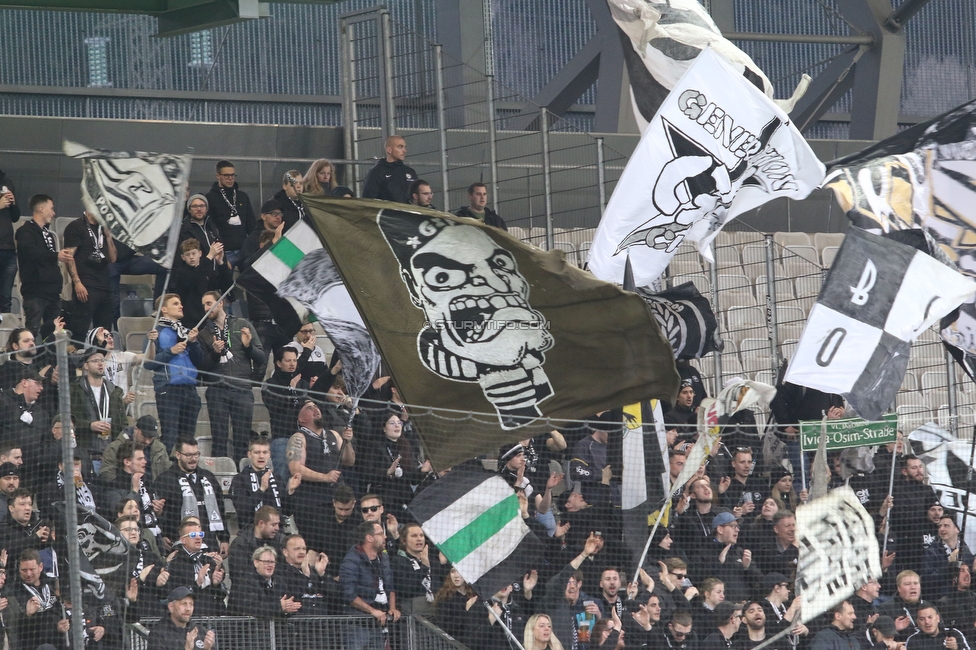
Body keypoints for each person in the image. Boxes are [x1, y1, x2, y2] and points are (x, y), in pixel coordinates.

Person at [196, 290, 266, 459]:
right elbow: (201, 369)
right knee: (219, 440)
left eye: (208, 303)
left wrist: (248, 347)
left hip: (242, 389)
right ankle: (220, 478)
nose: (206, 308)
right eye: (204, 305)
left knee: (242, 440)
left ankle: (242, 478)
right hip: (217, 390)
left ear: (220, 303)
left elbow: (261, 358)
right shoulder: (203, 333)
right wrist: (214, 353)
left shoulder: (243, 324)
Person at [287, 400, 356, 550]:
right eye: (309, 408)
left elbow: (349, 461)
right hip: (312, 504)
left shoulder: (333, 434)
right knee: (317, 549)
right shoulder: (299, 437)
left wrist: (348, 442)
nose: (315, 409)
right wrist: (324, 477)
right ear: (301, 418)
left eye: (316, 406)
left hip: (336, 501)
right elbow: (295, 468)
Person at [143, 294, 203, 451]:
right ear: (164, 309)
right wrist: (171, 351)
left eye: (180, 303)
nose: (181, 306)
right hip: (168, 389)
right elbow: (148, 363)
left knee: (188, 440)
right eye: (176, 303)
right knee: (170, 438)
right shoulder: (155, 333)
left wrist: (194, 343)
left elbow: (199, 361)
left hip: (190, 390)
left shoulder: (187, 332)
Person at [153, 437, 229, 555]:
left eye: (196, 454)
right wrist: (161, 535)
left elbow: (220, 508)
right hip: (178, 545)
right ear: (178, 455)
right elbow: (157, 513)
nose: (193, 459)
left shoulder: (208, 477)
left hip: (209, 543)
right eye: (188, 455)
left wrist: (224, 538)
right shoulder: (164, 480)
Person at [339, 521, 400, 650]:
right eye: (380, 534)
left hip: (378, 623)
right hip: (358, 624)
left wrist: (393, 608)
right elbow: (349, 594)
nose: (385, 537)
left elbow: (390, 586)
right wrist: (372, 611)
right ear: (369, 538)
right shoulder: (351, 560)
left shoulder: (384, 557)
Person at [16, 194, 73, 332]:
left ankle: (51, 354)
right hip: (35, 291)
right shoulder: (26, 232)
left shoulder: (48, 234)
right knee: (32, 331)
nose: (53, 213)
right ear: (41, 209)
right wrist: (56, 255)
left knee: (54, 333)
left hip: (52, 291)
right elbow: (31, 253)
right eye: (51, 208)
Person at [541, 533, 605, 648]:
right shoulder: (553, 604)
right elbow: (563, 576)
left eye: (574, 583)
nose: (571, 586)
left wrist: (599, 617)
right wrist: (584, 553)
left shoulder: (589, 603)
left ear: (579, 584)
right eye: (567, 583)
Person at [62, 209, 117, 335]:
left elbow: (113, 259)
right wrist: (77, 282)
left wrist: (108, 237)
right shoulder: (76, 227)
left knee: (105, 332)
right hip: (86, 285)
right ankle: (77, 352)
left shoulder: (102, 229)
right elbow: (69, 257)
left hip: (105, 285)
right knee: (81, 327)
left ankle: (102, 354)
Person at [71, 348, 126, 469]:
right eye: (95, 360)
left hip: (110, 458)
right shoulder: (74, 390)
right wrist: (89, 425)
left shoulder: (115, 392)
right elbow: (66, 420)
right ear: (86, 365)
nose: (100, 363)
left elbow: (123, 424)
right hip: (85, 457)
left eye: (102, 360)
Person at [690, 511, 761, 602]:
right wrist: (718, 563)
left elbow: (758, 580)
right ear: (720, 529)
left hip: (742, 608)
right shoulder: (702, 551)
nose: (737, 530)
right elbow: (696, 579)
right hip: (718, 610)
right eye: (732, 526)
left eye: (737, 526)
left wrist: (747, 567)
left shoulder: (740, 552)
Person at [6, 549, 70, 650]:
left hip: (60, 641)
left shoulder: (52, 586)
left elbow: (61, 612)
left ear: (40, 567)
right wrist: (27, 615)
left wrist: (64, 624)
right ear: (19, 569)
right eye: (24, 570)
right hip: (33, 645)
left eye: (32, 569)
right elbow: (15, 628)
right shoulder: (13, 592)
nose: (28, 574)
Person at [100, 441, 162, 541]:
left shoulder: (147, 480)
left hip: (154, 538)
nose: (145, 461)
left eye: (144, 458)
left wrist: (158, 510)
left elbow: (153, 513)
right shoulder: (114, 486)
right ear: (127, 462)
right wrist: (134, 490)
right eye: (140, 459)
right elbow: (118, 513)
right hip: (132, 539)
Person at [165, 519, 227, 616]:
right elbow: (174, 595)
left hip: (213, 617)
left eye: (200, 534)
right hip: (188, 619)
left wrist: (216, 583)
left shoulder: (209, 560)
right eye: (193, 535)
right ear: (182, 540)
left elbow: (221, 595)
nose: (198, 538)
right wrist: (197, 583)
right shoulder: (175, 563)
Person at [261, 347, 308, 475]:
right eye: (288, 361)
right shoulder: (271, 384)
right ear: (279, 363)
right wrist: (290, 389)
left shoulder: (303, 384)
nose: (292, 364)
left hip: (304, 438)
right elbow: (274, 406)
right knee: (282, 476)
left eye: (294, 360)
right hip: (282, 438)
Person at [170, 239, 233, 329]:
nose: (191, 257)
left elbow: (226, 285)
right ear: (183, 257)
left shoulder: (208, 271)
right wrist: (210, 256)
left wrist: (221, 263)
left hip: (208, 319)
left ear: (200, 253)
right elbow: (194, 278)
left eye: (194, 253)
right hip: (190, 321)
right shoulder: (180, 272)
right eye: (187, 255)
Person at [231, 436, 299, 518]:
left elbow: (287, 511)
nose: (261, 456)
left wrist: (290, 491)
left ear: (269, 455)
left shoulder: (277, 478)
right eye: (257, 452)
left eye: (265, 452)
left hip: (277, 528)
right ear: (249, 454)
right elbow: (241, 509)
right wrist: (261, 490)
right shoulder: (240, 479)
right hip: (251, 528)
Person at [205, 160, 256, 267]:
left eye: (233, 175)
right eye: (226, 175)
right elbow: (209, 227)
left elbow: (251, 224)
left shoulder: (242, 196)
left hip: (243, 249)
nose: (230, 178)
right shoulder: (210, 198)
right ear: (218, 176)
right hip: (225, 251)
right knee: (225, 282)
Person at [227, 545, 302, 617]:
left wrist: (288, 609)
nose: (270, 565)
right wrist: (279, 607)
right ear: (256, 562)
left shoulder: (279, 581)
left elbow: (289, 604)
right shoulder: (245, 582)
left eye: (272, 562)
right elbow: (251, 609)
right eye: (266, 562)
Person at [99, 414, 170, 484]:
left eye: (151, 437)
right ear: (136, 429)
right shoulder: (115, 447)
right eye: (144, 436)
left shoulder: (160, 448)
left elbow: (168, 473)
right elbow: (106, 474)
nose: (147, 441)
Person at [85, 326, 145, 405]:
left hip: (121, 409)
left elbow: (148, 357)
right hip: (100, 408)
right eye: (105, 336)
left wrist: (152, 341)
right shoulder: (91, 364)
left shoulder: (122, 357)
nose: (110, 338)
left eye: (110, 335)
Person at [277, 534, 335, 615]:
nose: (301, 552)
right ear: (285, 552)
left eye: (304, 549)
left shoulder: (315, 571)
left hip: (323, 623)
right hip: (297, 623)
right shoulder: (279, 573)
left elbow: (335, 597)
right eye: (296, 549)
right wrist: (305, 576)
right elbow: (293, 597)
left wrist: (322, 574)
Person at [146, 586, 216, 650]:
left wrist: (207, 649)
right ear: (171, 607)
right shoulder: (158, 634)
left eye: (191, 604)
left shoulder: (200, 631)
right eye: (184, 604)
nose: (188, 608)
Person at [228, 504, 283, 582]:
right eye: (273, 525)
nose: (277, 528)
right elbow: (239, 576)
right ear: (261, 523)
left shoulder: (280, 541)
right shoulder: (240, 544)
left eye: (278, 524)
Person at [923, 515, 973, 599]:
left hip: (964, 599)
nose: (941, 529)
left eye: (946, 526)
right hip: (941, 600)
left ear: (957, 529)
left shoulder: (966, 549)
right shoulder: (932, 551)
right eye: (940, 526)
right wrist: (949, 565)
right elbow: (926, 580)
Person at [390, 523, 434, 617]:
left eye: (421, 535)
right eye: (414, 536)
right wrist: (424, 567)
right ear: (403, 541)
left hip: (434, 613)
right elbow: (406, 588)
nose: (419, 538)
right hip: (412, 615)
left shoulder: (432, 560)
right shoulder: (398, 561)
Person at [0, 368, 49, 448]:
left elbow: (45, 443)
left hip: (32, 459)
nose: (41, 388)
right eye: (38, 383)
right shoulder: (3, 402)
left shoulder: (42, 414)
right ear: (24, 382)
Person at [362, 135, 417, 204]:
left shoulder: (410, 172)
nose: (405, 151)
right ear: (389, 150)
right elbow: (368, 200)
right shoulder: (376, 172)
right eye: (400, 147)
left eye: (405, 147)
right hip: (388, 213)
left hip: (408, 213)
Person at [315, 485, 359, 571]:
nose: (343, 513)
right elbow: (314, 549)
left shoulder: (360, 523)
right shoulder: (322, 520)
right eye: (340, 509)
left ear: (353, 504)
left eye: (347, 509)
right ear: (334, 503)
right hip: (325, 572)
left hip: (350, 572)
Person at [434, 568, 477, 644]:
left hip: (474, 639)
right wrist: (466, 611)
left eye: (460, 571)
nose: (456, 576)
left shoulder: (474, 594)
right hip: (455, 642)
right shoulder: (445, 597)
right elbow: (444, 627)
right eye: (453, 571)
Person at [879, 571, 923, 641]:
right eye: (907, 584)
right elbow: (879, 639)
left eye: (916, 583)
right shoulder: (885, 609)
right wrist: (894, 629)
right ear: (899, 588)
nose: (913, 587)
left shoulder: (928, 607)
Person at [179, 194, 222, 260]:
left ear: (206, 209)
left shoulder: (212, 227)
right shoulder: (184, 230)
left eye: (202, 206)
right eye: (195, 206)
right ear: (189, 209)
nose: (199, 209)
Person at [0, 176, 19, 319]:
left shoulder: (7, 181)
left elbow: (15, 217)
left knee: (6, 298)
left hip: (8, 248)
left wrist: (13, 203)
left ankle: (4, 336)